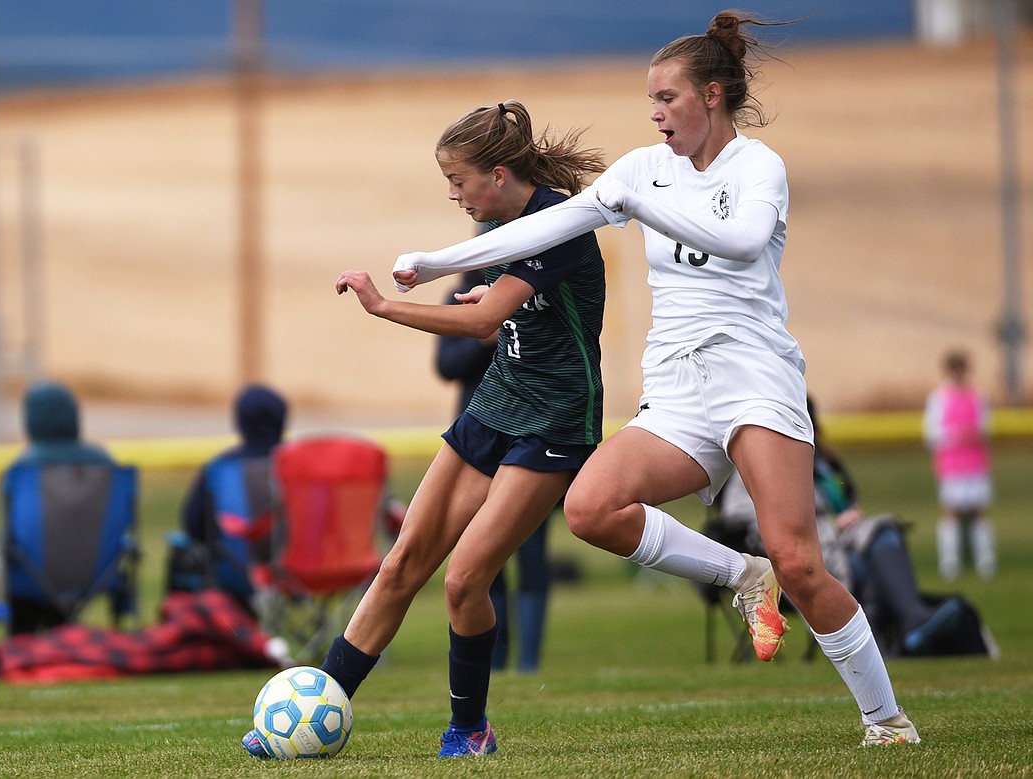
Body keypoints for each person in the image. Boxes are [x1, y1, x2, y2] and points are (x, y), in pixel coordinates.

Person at [386, 10, 920, 747]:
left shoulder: (757, 169)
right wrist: (438, 262)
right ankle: (741, 575)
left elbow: (742, 241)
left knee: (800, 558)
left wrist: (644, 204)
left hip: (753, 376)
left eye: (666, 98)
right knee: (591, 506)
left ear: (711, 95)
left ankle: (885, 720)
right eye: (650, 101)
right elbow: (552, 224)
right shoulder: (643, 169)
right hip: (675, 386)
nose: (655, 113)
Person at [244, 99, 610, 759]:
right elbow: (506, 314)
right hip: (498, 400)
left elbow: (478, 325)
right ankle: (311, 709)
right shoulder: (505, 224)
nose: (453, 195)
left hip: (556, 418)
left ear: (498, 174)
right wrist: (493, 301)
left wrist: (385, 306)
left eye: (459, 181)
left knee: (465, 578)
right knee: (400, 564)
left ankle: (470, 730)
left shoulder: (553, 223)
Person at [718, 396, 969, 657]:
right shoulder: (758, 462)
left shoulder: (824, 464)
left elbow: (845, 500)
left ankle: (914, 618)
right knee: (864, 566)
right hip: (806, 548)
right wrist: (824, 524)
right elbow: (738, 514)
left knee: (884, 530)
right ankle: (882, 646)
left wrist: (844, 519)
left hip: (842, 539)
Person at [435, 269, 551, 673]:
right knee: (481, 558)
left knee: (532, 552)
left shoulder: (538, 291)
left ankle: (529, 662)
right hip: (481, 437)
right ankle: (496, 660)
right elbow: (446, 364)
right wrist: (483, 336)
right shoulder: (460, 295)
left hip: (532, 431)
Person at [0, 381, 118, 633]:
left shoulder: (22, 470)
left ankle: (23, 639)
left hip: (30, 580)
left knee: (11, 557)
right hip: (100, 575)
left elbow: (14, 531)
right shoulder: (107, 465)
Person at [176, 384, 289, 612]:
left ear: (239, 421)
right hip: (299, 577)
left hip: (234, 576)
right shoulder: (302, 467)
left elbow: (193, 525)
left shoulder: (220, 468)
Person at [923, 349, 995, 581]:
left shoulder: (978, 397)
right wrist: (957, 435)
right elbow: (932, 434)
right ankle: (949, 563)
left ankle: (986, 561)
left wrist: (974, 434)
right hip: (952, 465)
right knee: (951, 512)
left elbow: (986, 427)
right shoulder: (939, 398)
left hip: (975, 464)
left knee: (978, 512)